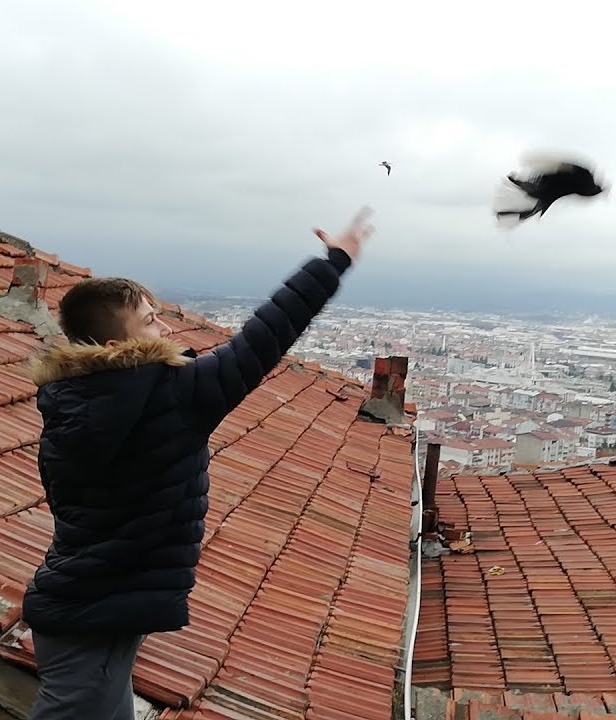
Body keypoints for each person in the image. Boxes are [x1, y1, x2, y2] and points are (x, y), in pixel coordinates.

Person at [21, 207, 374, 719]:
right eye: (150, 320)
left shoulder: (68, 403)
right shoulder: (169, 397)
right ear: (119, 345)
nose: (164, 327)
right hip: (91, 617)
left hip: (85, 605)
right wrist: (333, 261)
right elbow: (264, 337)